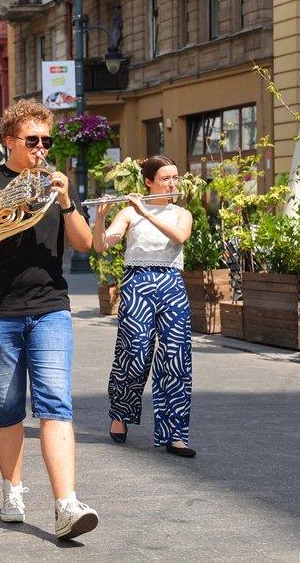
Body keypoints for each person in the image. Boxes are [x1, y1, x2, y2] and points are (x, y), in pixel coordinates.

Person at [0, 99, 99, 540]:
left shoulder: (56, 186)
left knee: (56, 404)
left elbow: (85, 243)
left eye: (47, 141)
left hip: (51, 307)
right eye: (33, 141)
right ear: (10, 141)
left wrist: (65, 201)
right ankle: (12, 489)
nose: (41, 148)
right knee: (7, 409)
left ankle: (66, 504)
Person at [91, 155, 196, 458]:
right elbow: (101, 245)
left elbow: (180, 237)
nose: (172, 184)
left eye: (175, 178)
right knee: (134, 351)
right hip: (137, 282)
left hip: (171, 283)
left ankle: (175, 435)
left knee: (176, 356)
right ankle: (120, 414)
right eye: (165, 179)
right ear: (148, 182)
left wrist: (146, 213)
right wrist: (101, 218)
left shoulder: (181, 213)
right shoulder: (128, 213)